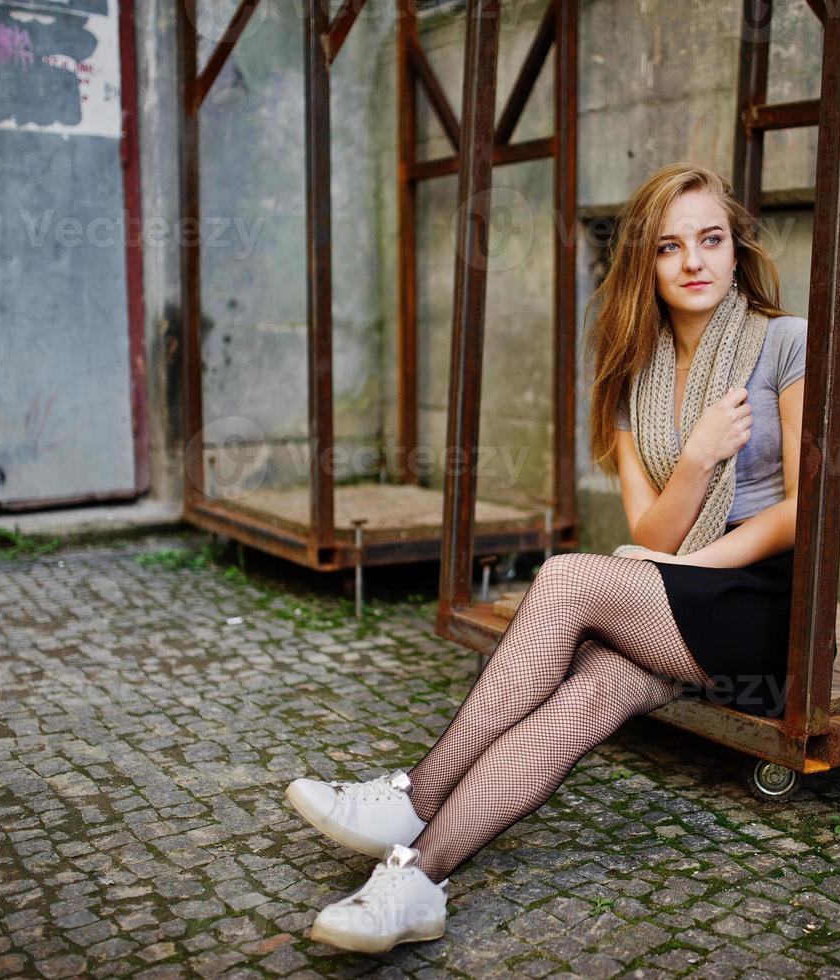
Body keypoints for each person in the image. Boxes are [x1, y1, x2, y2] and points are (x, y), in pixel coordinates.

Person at [287, 162, 810, 954]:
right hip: (676, 599)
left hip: (766, 610)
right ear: (645, 263)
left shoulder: (784, 342)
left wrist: (687, 572)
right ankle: (416, 882)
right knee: (582, 698)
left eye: (710, 240)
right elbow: (655, 536)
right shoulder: (635, 380)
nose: (694, 261)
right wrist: (698, 458)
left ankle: (414, 792)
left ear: (737, 248)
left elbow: (806, 511)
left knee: (566, 576)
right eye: (670, 247)